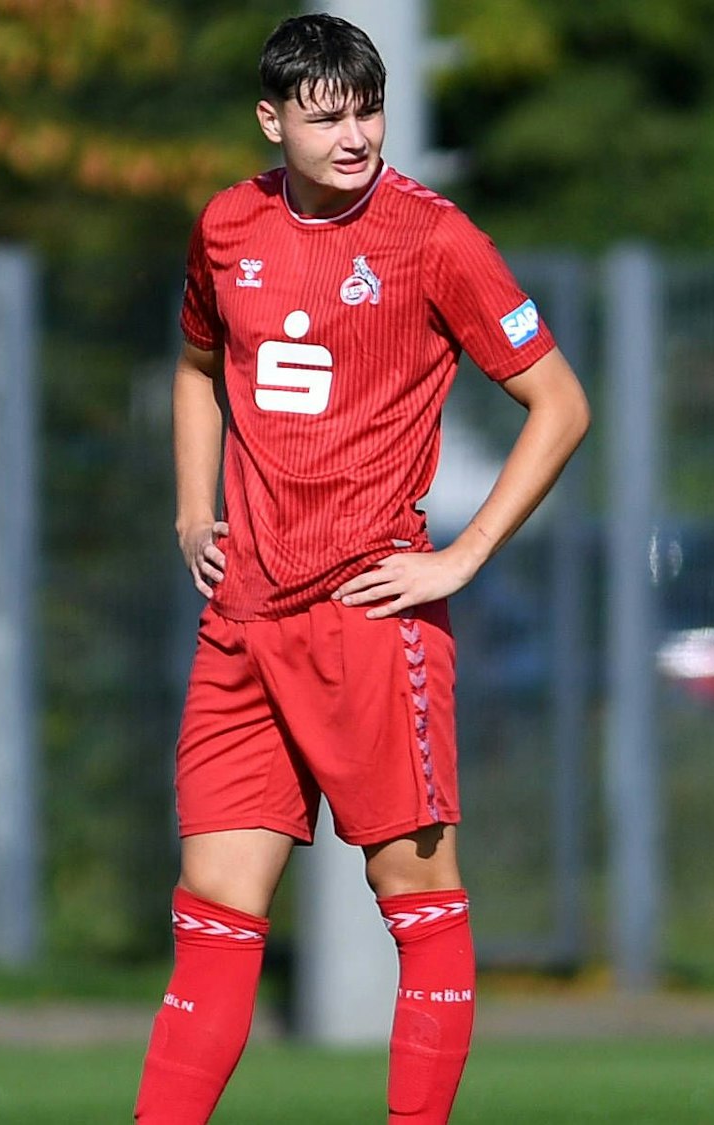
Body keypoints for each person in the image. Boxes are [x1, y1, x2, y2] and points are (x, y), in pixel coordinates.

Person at [135, 13, 590, 1124]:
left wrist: (461, 558)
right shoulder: (228, 224)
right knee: (212, 902)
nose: (354, 136)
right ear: (271, 118)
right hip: (243, 622)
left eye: (368, 111)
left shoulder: (431, 237)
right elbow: (197, 365)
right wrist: (195, 510)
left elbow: (559, 404)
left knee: (414, 894)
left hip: (366, 617)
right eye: (327, 115)